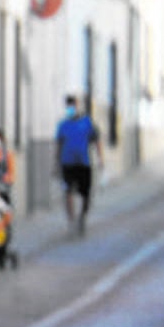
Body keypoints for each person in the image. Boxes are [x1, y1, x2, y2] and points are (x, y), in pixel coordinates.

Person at [56, 95, 104, 236]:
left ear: (78, 106)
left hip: (84, 163)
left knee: (85, 195)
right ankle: (71, 221)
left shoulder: (86, 123)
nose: (71, 108)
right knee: (68, 192)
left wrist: (101, 159)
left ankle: (82, 217)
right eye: (68, 106)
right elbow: (59, 144)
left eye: (73, 105)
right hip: (67, 163)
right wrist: (56, 163)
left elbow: (96, 140)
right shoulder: (63, 125)